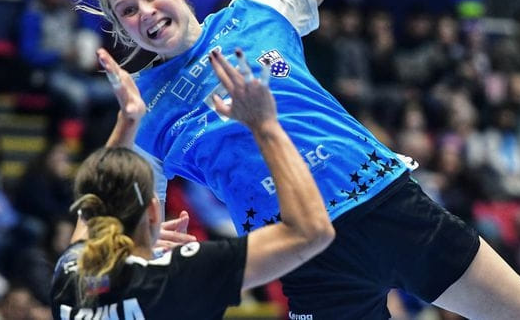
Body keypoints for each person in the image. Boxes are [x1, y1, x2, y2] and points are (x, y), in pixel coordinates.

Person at [68, 0, 520, 319]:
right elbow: (128, 222)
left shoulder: (260, 12)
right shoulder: (144, 109)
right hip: (303, 254)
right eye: (128, 11)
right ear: (122, 30)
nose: (146, 12)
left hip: (385, 207)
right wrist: (144, 244)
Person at [51, 49, 335, 319]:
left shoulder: (72, 275)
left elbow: (95, 203)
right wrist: (265, 125)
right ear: (153, 212)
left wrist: (128, 120)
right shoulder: (176, 275)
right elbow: (311, 232)